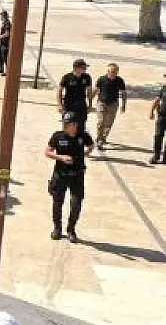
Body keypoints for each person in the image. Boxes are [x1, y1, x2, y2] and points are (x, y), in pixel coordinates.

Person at [45, 112, 94, 243]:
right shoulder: (58, 136)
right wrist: (61, 157)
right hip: (61, 175)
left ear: (75, 125)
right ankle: (57, 228)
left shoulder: (83, 136)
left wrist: (86, 153)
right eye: (64, 124)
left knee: (76, 204)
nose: (65, 126)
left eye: (68, 124)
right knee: (57, 202)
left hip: (77, 175)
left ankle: (71, 229)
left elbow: (91, 145)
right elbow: (47, 152)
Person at [93, 63, 127, 148]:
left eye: (114, 72)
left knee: (109, 123)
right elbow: (95, 90)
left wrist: (123, 105)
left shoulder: (119, 80)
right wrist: (89, 101)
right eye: (111, 71)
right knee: (101, 121)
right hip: (102, 102)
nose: (112, 73)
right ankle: (99, 138)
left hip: (113, 104)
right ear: (108, 71)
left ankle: (104, 137)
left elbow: (123, 93)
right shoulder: (102, 79)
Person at [57, 58, 92, 137]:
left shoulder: (87, 77)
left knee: (81, 125)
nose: (85, 69)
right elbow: (59, 91)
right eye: (84, 67)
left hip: (81, 105)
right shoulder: (67, 77)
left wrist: (90, 104)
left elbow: (89, 91)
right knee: (68, 124)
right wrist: (60, 104)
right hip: (69, 104)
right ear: (77, 67)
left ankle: (79, 144)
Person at [152, 73, 166, 165]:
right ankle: (156, 155)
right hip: (162, 116)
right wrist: (151, 110)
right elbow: (157, 99)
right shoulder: (164, 88)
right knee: (158, 136)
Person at [0, 11, 11, 75]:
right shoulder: (3, 23)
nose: (1, 18)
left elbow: (7, 34)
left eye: (1, 16)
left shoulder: (7, 24)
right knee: (0, 56)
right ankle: (1, 69)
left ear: (4, 16)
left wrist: (0, 37)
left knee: (5, 57)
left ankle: (7, 71)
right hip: (2, 42)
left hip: (5, 43)